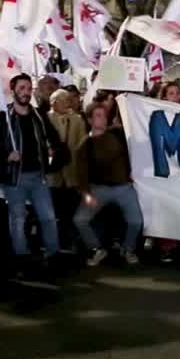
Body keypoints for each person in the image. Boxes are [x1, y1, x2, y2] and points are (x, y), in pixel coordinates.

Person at [0, 74, 70, 273]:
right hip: (15, 178)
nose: (25, 92)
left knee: (48, 217)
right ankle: (21, 257)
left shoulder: (39, 116)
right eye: (22, 88)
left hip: (37, 176)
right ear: (13, 90)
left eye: (28, 88)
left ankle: (53, 253)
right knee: (18, 219)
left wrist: (53, 152)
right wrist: (7, 155)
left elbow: (54, 140)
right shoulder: (2, 118)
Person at [72, 103, 142, 268]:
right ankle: (96, 249)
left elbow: (137, 145)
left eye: (104, 115)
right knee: (80, 220)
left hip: (124, 187)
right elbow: (81, 174)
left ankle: (128, 249)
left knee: (136, 221)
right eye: (98, 115)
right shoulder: (85, 145)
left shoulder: (117, 134)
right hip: (99, 189)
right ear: (89, 119)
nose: (102, 119)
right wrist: (87, 195)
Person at [47, 88, 87, 254]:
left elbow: (82, 144)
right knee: (54, 210)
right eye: (62, 100)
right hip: (53, 174)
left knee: (71, 209)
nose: (67, 103)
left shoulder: (77, 120)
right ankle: (56, 243)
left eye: (67, 100)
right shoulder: (46, 119)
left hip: (71, 173)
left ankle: (70, 242)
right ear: (54, 103)